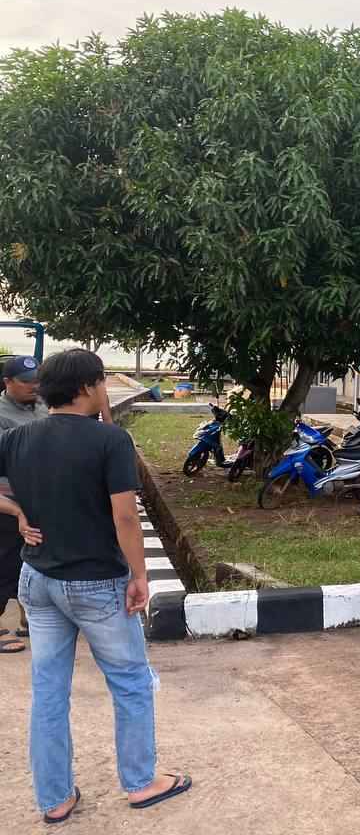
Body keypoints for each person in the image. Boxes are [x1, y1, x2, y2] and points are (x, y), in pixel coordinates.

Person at [5, 349, 191, 822]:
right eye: (102, 381)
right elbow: (125, 516)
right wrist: (140, 575)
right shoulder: (110, 441)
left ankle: (55, 799)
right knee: (130, 682)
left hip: (38, 580)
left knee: (49, 692)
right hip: (97, 584)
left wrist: (18, 512)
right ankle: (141, 782)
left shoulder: (19, 437)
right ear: (88, 387)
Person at [0, 355, 51, 653]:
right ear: (7, 382)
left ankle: (27, 618)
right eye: (26, 382)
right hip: (7, 501)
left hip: (39, 498)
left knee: (29, 560)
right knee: (4, 562)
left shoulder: (44, 405)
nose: (34, 386)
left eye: (37, 381)